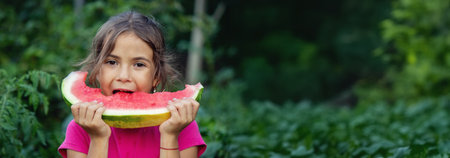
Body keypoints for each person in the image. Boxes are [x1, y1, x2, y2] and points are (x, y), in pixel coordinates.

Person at [58, 11, 206, 158]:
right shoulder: (80, 128)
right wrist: (98, 139)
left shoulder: (182, 125)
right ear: (97, 71)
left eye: (139, 64)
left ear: (156, 77)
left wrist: (170, 136)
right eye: (112, 62)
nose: (124, 76)